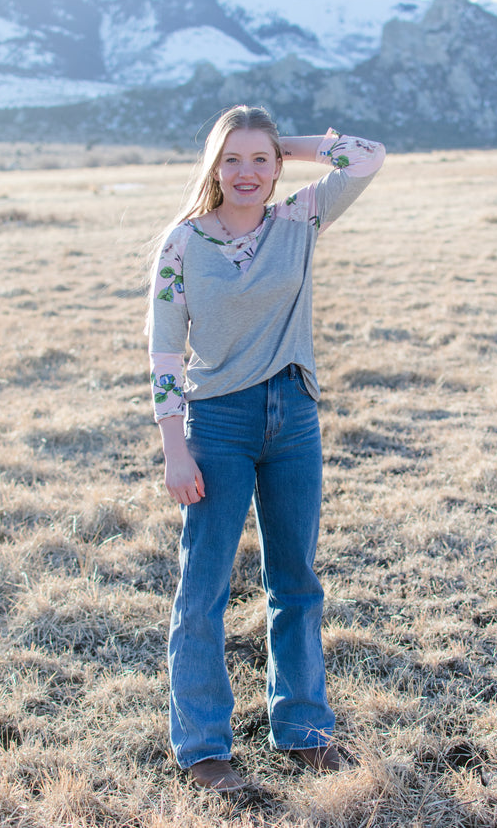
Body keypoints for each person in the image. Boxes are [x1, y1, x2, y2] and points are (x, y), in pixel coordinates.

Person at [147, 105, 385, 792]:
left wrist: (290, 142)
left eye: (261, 160)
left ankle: (304, 730)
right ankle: (203, 749)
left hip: (294, 417)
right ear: (213, 166)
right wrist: (174, 448)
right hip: (216, 425)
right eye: (233, 159)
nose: (246, 174)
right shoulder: (183, 242)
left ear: (278, 165)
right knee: (204, 588)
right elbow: (164, 351)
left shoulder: (300, 219)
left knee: (297, 583)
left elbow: (366, 155)